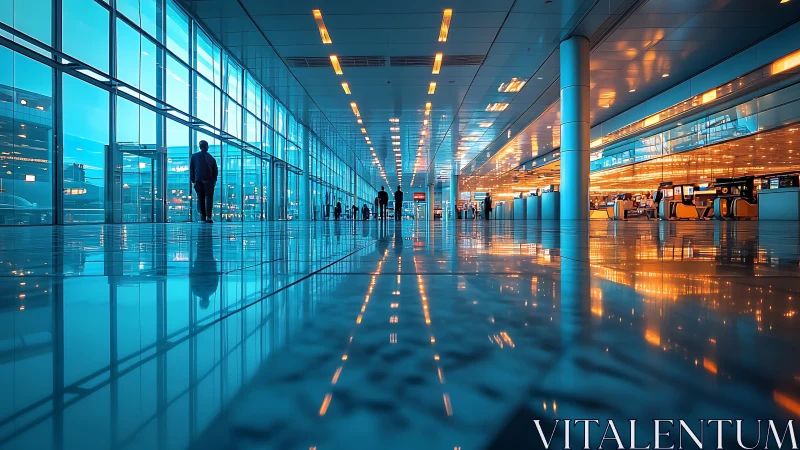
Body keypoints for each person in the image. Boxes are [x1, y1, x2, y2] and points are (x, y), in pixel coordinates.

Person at [189, 140, 218, 223]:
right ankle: (208, 216)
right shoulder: (211, 158)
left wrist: (193, 180)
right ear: (207, 147)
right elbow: (215, 171)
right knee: (209, 198)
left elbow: (191, 169)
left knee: (200, 198)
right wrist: (214, 181)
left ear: (200, 147)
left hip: (198, 180)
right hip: (208, 180)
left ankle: (203, 217)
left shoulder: (194, 157)